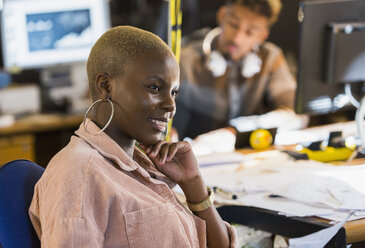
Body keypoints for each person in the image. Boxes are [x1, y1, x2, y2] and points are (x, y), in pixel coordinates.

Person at [29, 26, 237, 247]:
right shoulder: (78, 173)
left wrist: (193, 182)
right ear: (105, 86)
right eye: (155, 88)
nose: (171, 105)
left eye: (174, 92)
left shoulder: (143, 166)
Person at [173, 0, 300, 140]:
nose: (237, 39)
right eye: (233, 25)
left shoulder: (270, 58)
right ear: (222, 16)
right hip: (193, 150)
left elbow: (291, 110)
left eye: (250, 32)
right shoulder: (183, 57)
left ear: (262, 36)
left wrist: (237, 130)